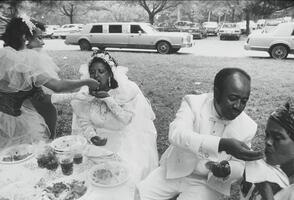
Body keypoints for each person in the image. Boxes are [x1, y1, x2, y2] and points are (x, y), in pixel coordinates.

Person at [138, 68, 263, 200]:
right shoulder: (193, 103)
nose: (238, 106)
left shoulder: (248, 126)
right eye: (233, 98)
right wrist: (221, 144)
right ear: (217, 92)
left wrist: (227, 169)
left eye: (244, 101)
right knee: (137, 196)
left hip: (207, 184)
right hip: (174, 171)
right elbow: (177, 134)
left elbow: (239, 165)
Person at [0, 17, 99, 149]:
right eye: (39, 38)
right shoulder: (26, 60)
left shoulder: (3, 56)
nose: (43, 43)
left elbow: (37, 95)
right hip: (14, 123)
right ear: (25, 37)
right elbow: (57, 86)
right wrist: (85, 82)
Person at [71, 50, 158, 181]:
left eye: (101, 71)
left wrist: (108, 99)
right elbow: (83, 120)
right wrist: (91, 135)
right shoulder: (87, 93)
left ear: (110, 73)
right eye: (93, 72)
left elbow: (126, 120)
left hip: (122, 140)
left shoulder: (125, 91)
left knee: (120, 175)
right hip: (97, 142)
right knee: (84, 174)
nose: (96, 76)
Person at [241, 98, 294, 200]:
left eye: (277, 137)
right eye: (267, 134)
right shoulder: (267, 170)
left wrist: (266, 195)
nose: (267, 142)